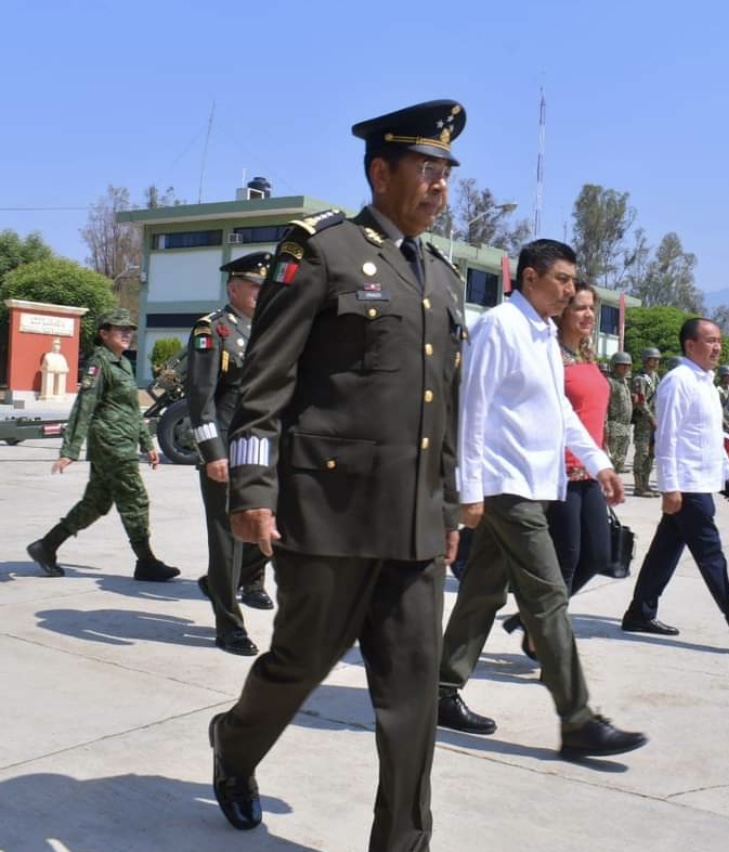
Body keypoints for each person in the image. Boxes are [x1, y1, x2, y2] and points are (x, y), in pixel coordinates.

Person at [207, 100, 466, 849]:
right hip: (327, 513)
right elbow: (264, 383)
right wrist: (252, 492)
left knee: (413, 697)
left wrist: (447, 508)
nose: (439, 185)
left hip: (414, 522)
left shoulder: (442, 277)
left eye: (446, 172)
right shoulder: (323, 250)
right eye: (426, 169)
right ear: (380, 172)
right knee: (297, 663)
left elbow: (440, 405)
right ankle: (235, 744)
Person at [436, 239, 647, 760]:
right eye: (562, 280)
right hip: (506, 487)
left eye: (573, 282)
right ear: (529, 278)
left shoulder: (543, 335)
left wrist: (598, 463)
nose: (570, 290)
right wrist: (469, 490)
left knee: (484, 590)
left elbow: (560, 413)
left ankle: (440, 688)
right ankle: (577, 720)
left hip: (534, 483)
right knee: (549, 596)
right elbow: (472, 408)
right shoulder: (500, 327)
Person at [621, 318, 729, 649]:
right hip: (688, 486)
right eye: (710, 341)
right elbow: (666, 437)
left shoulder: (705, 383)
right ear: (690, 345)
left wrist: (728, 475)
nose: (717, 347)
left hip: (700, 481)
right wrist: (669, 487)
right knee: (711, 555)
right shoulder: (678, 381)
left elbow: (709, 438)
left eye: (719, 341)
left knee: (665, 552)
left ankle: (640, 611)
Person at [26, 309, 179, 582]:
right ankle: (146, 561)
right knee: (135, 498)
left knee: (96, 503)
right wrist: (69, 450)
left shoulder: (123, 363)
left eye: (129, 330)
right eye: (119, 329)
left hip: (124, 440)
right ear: (103, 333)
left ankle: (47, 546)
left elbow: (132, 409)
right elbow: (84, 406)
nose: (127, 334)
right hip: (111, 443)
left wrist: (147, 443)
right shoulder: (99, 363)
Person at [502, 281, 612, 658]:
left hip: (591, 470)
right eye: (579, 307)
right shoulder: (550, 354)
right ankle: (545, 639)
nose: (587, 315)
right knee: (564, 561)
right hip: (560, 472)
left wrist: (603, 461)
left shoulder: (587, 356)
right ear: (563, 310)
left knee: (598, 555)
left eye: (591, 308)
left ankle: (534, 615)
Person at [185, 252, 274, 657]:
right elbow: (200, 400)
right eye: (254, 286)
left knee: (271, 525)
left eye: (263, 286)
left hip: (261, 448)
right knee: (227, 540)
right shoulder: (213, 331)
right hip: (225, 447)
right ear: (233, 288)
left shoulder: (268, 329)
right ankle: (228, 623)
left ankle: (241, 579)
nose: (260, 292)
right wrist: (212, 453)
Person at [631, 347, 661, 496]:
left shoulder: (656, 377)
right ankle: (638, 486)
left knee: (650, 454)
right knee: (641, 453)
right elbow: (641, 402)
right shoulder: (640, 379)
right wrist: (651, 418)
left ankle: (646, 484)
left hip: (655, 422)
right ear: (646, 360)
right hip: (644, 422)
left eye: (657, 359)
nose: (656, 362)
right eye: (653, 359)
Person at [605, 351, 633, 473]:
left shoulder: (625, 382)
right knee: (610, 462)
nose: (626, 368)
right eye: (623, 365)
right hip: (614, 425)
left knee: (619, 463)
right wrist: (605, 427)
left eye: (628, 365)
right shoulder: (610, 382)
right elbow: (605, 405)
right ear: (614, 366)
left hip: (625, 427)